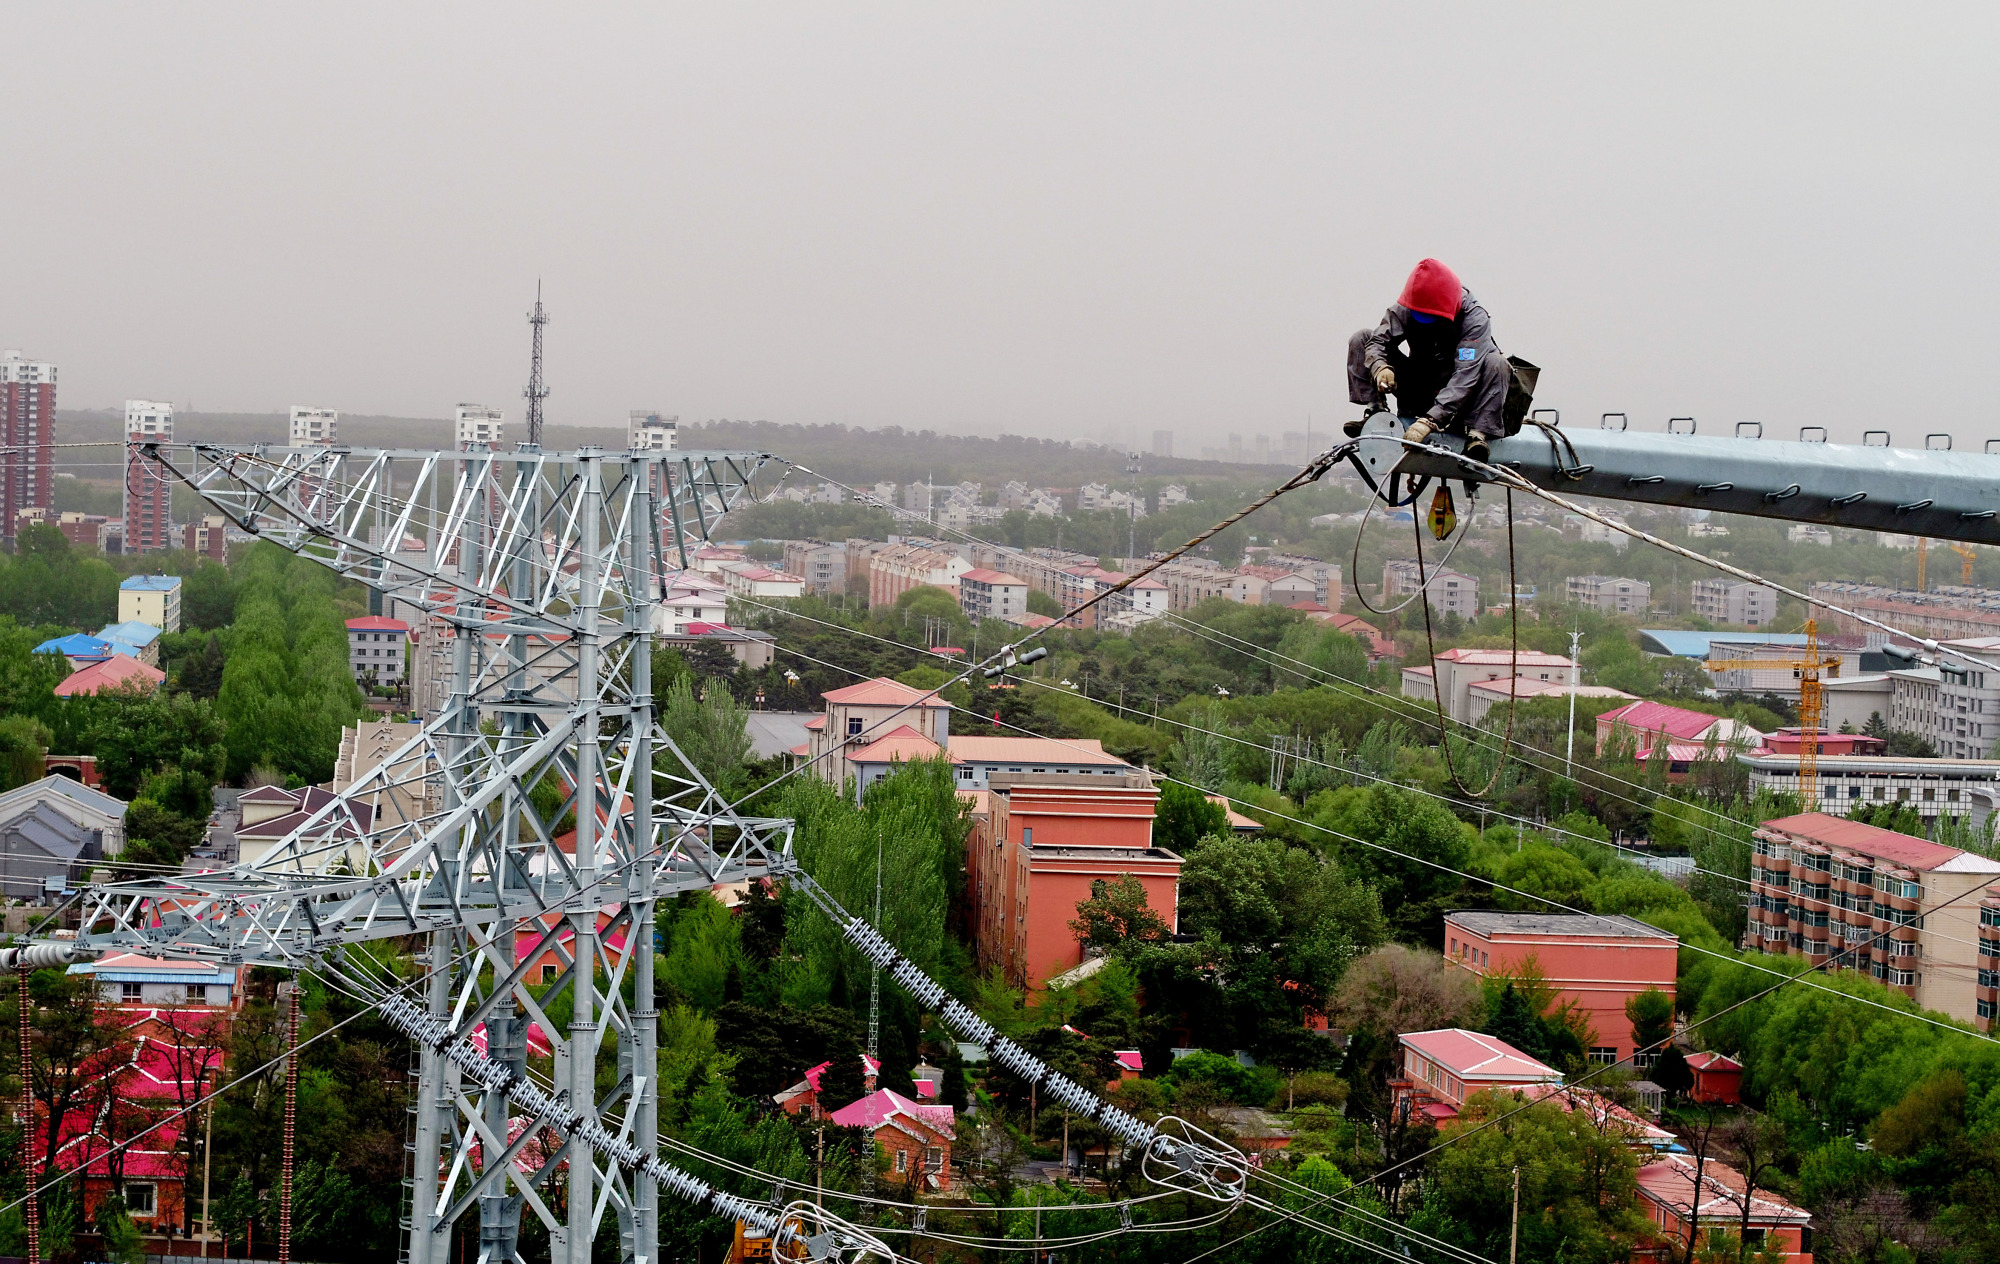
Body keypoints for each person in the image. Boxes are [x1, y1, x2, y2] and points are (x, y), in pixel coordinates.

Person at [1344, 258, 1512, 464]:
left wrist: (1430, 421)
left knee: (1496, 363)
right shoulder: (1407, 306)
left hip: (1461, 400)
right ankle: (1375, 413)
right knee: (1362, 338)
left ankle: (1478, 435)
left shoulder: (1474, 319)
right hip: (1421, 384)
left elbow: (1465, 376)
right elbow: (1378, 342)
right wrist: (1380, 368)